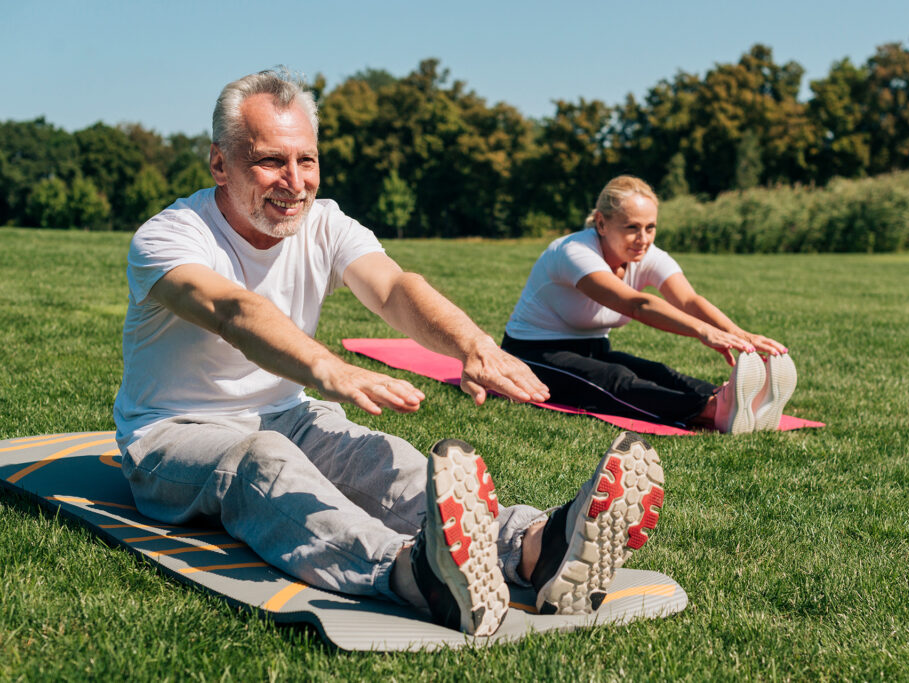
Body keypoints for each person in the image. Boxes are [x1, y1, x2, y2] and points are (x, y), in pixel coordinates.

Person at [112, 71, 665, 637]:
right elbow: (233, 310)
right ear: (219, 164)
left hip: (290, 415)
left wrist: (472, 345)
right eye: (270, 161)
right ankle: (412, 572)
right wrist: (329, 368)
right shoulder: (170, 237)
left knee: (381, 459)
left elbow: (395, 287)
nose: (295, 181)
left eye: (307, 160)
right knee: (261, 463)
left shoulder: (324, 223)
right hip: (173, 433)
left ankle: (534, 549)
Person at [501, 175, 797, 434]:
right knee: (615, 380)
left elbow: (688, 300)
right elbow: (636, 305)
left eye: (650, 227)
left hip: (592, 348)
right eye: (632, 227)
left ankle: (731, 399)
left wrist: (740, 335)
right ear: (601, 223)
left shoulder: (646, 254)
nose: (643, 239)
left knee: (657, 371)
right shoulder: (574, 252)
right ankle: (710, 411)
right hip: (532, 353)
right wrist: (702, 331)